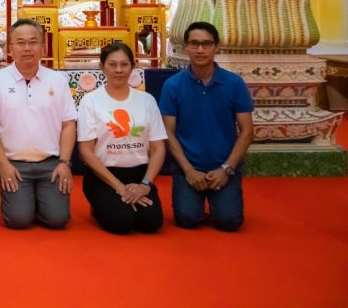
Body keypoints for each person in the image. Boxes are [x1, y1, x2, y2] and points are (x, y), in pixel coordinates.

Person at [0, 19, 76, 229]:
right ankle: (25, 202)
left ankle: (39, 202)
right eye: (20, 43)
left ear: (43, 46)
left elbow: (69, 124)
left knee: (57, 220)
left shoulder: (58, 80)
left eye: (33, 42)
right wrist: (3, 164)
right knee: (18, 220)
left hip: (51, 163)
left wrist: (64, 163)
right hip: (14, 164)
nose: (27, 48)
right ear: (10, 48)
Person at [160, 21, 254, 232]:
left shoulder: (234, 84)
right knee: (187, 219)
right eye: (194, 43)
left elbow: (247, 132)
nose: (200, 49)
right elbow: (168, 132)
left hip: (224, 165)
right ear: (186, 47)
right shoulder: (173, 85)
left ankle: (221, 197)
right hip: (188, 166)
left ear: (216, 47)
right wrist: (188, 170)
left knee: (229, 222)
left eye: (207, 44)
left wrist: (226, 169)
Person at [77, 43, 166, 235]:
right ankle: (98, 206)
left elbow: (158, 148)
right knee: (122, 222)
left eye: (124, 64)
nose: (119, 70)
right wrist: (119, 187)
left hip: (139, 174)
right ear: (102, 67)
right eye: (112, 64)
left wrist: (145, 184)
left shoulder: (147, 100)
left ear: (133, 66)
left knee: (152, 223)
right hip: (104, 175)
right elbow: (85, 151)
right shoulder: (90, 101)